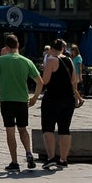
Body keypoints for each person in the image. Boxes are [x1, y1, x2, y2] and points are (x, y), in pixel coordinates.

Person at [0, 32, 39, 173]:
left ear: (6, 46)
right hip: (22, 100)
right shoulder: (26, 61)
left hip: (6, 100)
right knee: (23, 129)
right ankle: (28, 152)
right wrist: (34, 97)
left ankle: (15, 162)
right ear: (18, 45)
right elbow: (40, 81)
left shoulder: (0, 60)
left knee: (10, 131)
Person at [33, 37, 82, 170]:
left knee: (48, 128)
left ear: (52, 48)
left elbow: (46, 80)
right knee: (64, 129)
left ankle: (51, 158)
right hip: (68, 99)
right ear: (63, 49)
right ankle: (63, 159)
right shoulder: (69, 60)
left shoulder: (50, 60)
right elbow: (74, 80)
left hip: (53, 98)